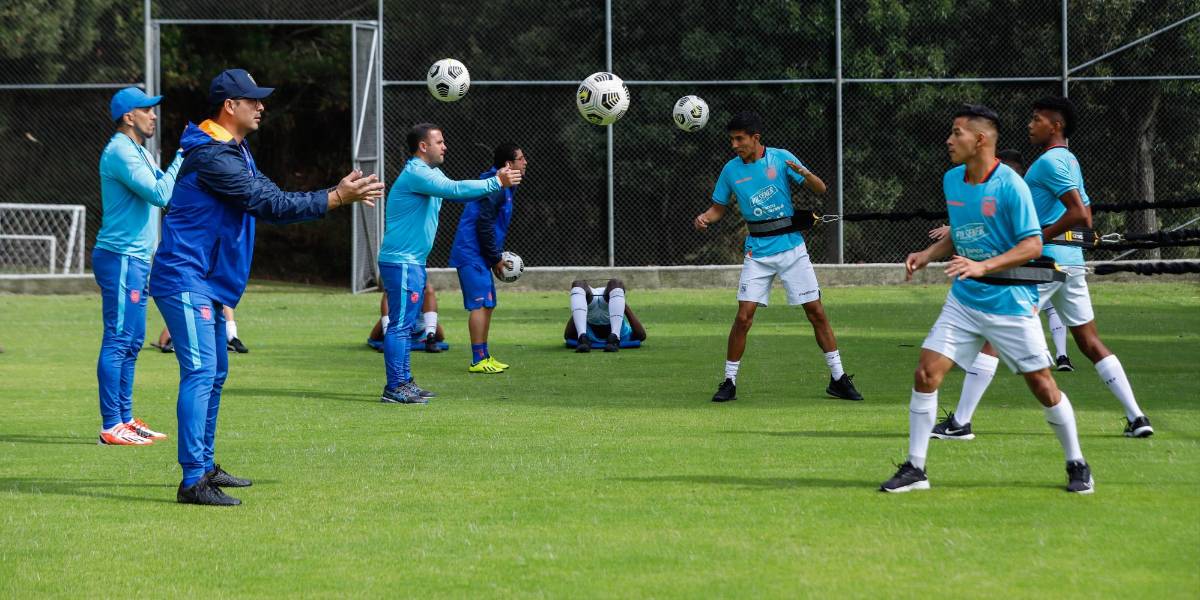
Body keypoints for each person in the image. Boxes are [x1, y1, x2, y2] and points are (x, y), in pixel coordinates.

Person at [150, 69, 383, 505]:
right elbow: (267, 204)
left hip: (205, 281)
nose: (261, 107)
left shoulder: (233, 149)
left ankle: (205, 464)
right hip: (184, 277)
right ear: (229, 106)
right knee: (201, 373)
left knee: (215, 372)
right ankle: (192, 481)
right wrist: (333, 197)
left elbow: (268, 192)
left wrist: (329, 196)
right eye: (252, 100)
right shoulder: (213, 156)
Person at [882, 104, 1092, 494]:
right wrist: (928, 254)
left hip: (1009, 302)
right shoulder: (952, 180)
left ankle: (1077, 462)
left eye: (957, 132)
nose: (949, 140)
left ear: (980, 139)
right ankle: (915, 468)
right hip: (964, 301)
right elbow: (961, 232)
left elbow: (1031, 245)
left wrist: (984, 266)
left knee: (1043, 386)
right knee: (926, 372)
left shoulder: (1012, 186)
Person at [931, 97, 1152, 442]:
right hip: (1071, 263)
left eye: (1037, 120)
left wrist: (1036, 237)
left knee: (992, 333)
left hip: (1044, 263)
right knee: (1090, 342)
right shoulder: (1069, 160)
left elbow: (1080, 215)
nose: (1030, 125)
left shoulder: (1049, 163)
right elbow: (1084, 215)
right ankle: (1137, 417)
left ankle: (960, 422)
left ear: (1056, 125)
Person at [693, 111, 862, 403]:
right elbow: (718, 207)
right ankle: (729, 382)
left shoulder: (781, 158)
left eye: (739, 139)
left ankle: (838, 378)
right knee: (744, 317)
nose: (734, 145)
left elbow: (820, 189)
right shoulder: (730, 170)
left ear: (755, 138)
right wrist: (706, 217)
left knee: (816, 312)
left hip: (792, 249)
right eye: (731, 139)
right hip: (757, 253)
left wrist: (806, 174)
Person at [377, 123, 521, 403]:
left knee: (404, 326)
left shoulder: (429, 172)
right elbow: (455, 189)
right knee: (400, 326)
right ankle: (394, 388)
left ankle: (405, 382)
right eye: (439, 142)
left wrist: (493, 183)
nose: (445, 147)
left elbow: (457, 188)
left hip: (412, 261)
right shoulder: (417, 173)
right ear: (423, 146)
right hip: (402, 262)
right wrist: (496, 182)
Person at [929, 149, 1073, 369]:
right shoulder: (983, 184)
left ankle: (1048, 356)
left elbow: (1008, 229)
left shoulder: (1014, 188)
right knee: (1064, 323)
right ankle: (1060, 357)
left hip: (1030, 265)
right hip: (1050, 262)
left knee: (1008, 330)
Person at [94, 86, 182, 445]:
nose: (154, 115)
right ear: (129, 116)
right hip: (119, 258)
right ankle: (110, 425)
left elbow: (161, 187)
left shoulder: (138, 151)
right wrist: (181, 158)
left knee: (131, 342)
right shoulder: (120, 151)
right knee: (118, 339)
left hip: (136, 260)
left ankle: (125, 419)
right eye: (148, 110)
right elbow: (161, 194)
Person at [448, 143, 527, 373]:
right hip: (472, 253)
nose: (525, 162)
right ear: (508, 165)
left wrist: (493, 256)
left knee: (489, 304)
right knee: (481, 304)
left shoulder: (503, 185)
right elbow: (483, 225)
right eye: (520, 159)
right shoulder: (496, 187)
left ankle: (484, 356)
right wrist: (495, 258)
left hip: (480, 253)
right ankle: (478, 360)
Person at [564, 279, 647, 352]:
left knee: (578, 284)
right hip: (611, 306)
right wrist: (622, 303)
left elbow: (568, 336)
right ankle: (615, 337)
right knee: (616, 283)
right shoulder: (622, 331)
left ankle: (582, 338)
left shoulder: (584, 328)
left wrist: (582, 303)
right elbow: (641, 335)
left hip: (593, 311)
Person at [367, 282, 446, 352]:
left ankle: (430, 336)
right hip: (396, 326)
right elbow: (373, 338)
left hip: (420, 330)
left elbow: (441, 338)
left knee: (428, 288)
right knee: (390, 288)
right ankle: (387, 337)